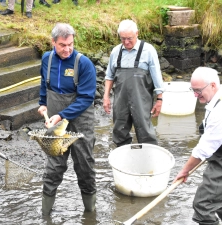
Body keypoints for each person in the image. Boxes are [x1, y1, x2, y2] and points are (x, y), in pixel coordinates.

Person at [174, 67, 222, 225]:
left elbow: (203, 149)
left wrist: (185, 170)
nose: (195, 95)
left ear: (213, 85)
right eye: (193, 90)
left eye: (198, 90)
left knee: (203, 205)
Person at [37, 23, 97, 215]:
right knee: (53, 167)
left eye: (70, 44)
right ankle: (45, 213)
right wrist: (43, 103)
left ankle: (90, 212)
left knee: (84, 165)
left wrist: (62, 116)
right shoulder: (46, 59)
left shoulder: (84, 63)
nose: (67, 49)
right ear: (53, 42)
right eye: (62, 44)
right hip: (55, 119)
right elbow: (44, 84)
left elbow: (87, 98)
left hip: (80, 120)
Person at [103, 19, 164, 147]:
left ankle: (149, 159)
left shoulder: (148, 50)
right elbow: (109, 76)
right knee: (119, 129)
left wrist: (159, 99)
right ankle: (124, 159)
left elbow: (156, 75)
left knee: (145, 130)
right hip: (120, 99)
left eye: (129, 38)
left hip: (141, 99)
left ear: (137, 33)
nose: (126, 42)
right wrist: (106, 97)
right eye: (122, 39)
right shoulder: (116, 52)